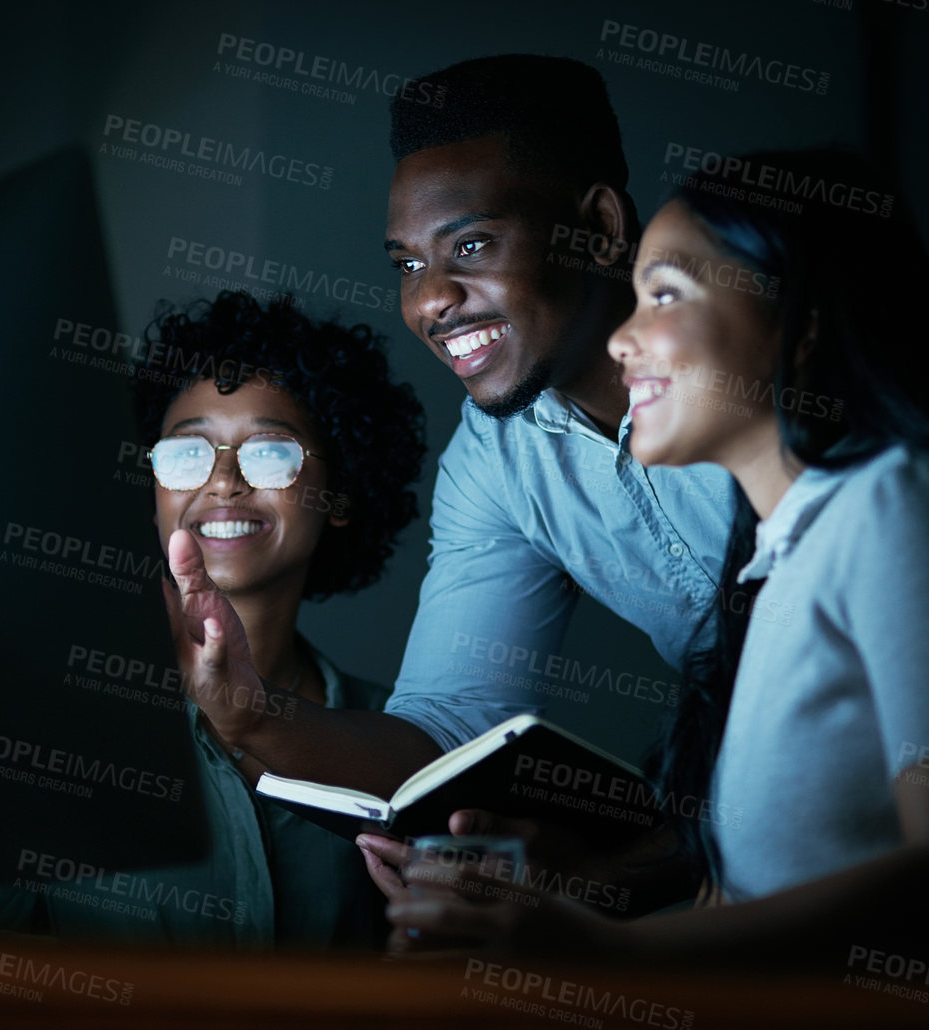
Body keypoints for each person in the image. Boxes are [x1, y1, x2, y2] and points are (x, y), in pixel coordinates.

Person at [384, 148, 929, 967]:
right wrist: (578, 896)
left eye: (666, 297)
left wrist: (605, 953)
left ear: (803, 322)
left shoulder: (900, 498)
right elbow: (761, 900)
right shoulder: (773, 568)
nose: (623, 339)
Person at [163, 55, 737, 911]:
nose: (431, 299)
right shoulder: (492, 459)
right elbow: (448, 733)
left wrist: (630, 869)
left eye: (471, 245)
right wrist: (250, 715)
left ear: (600, 226)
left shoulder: (759, 370)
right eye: (405, 264)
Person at [0, 290, 426, 949]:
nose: (223, 481)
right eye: (186, 454)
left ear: (338, 493)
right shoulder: (36, 732)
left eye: (271, 451)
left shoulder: (407, 748)